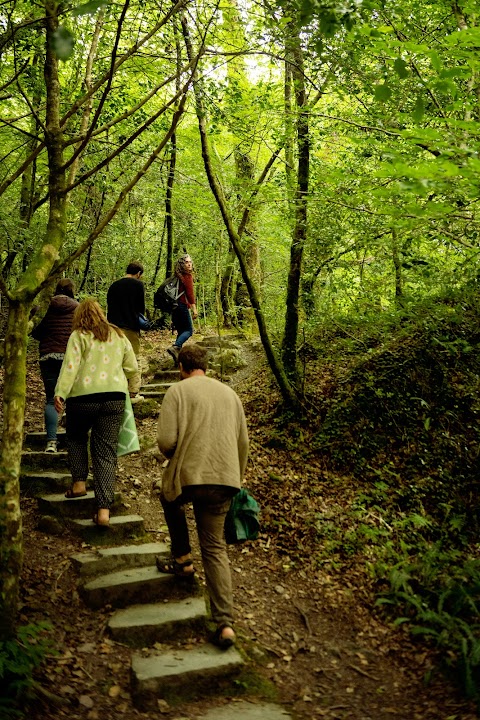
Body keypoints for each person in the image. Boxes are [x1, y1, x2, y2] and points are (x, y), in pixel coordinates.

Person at [156, 344, 249, 649]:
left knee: (169, 498)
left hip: (189, 479)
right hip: (225, 479)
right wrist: (236, 475)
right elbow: (242, 443)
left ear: (181, 366)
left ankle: (182, 558)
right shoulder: (230, 395)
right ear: (205, 366)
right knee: (214, 547)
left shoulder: (177, 392)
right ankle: (225, 623)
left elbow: (166, 442)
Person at [54, 299, 139, 526]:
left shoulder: (79, 335)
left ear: (79, 315)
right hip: (113, 399)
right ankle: (103, 511)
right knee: (105, 452)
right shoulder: (118, 335)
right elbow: (132, 367)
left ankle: (79, 484)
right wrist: (130, 385)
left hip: (82, 398)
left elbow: (70, 366)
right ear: (101, 314)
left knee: (76, 437)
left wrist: (60, 393)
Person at [31, 278, 79, 453]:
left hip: (48, 356)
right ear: (72, 290)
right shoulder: (78, 308)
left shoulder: (43, 307)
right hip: (71, 358)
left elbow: (34, 329)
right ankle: (73, 440)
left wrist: (46, 338)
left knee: (52, 399)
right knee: (73, 398)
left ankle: (51, 442)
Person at [107, 261, 145, 402]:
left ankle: (117, 388)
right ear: (138, 273)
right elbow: (140, 308)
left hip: (113, 328)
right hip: (130, 327)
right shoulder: (138, 285)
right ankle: (133, 392)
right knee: (134, 358)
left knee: (116, 358)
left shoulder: (113, 286)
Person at [167, 254, 198, 364]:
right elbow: (190, 294)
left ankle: (177, 358)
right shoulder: (187, 276)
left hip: (174, 307)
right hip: (182, 305)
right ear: (181, 264)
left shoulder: (177, 276)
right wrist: (194, 309)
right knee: (189, 330)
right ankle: (176, 346)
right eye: (186, 262)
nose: (189, 264)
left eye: (190, 262)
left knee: (181, 332)